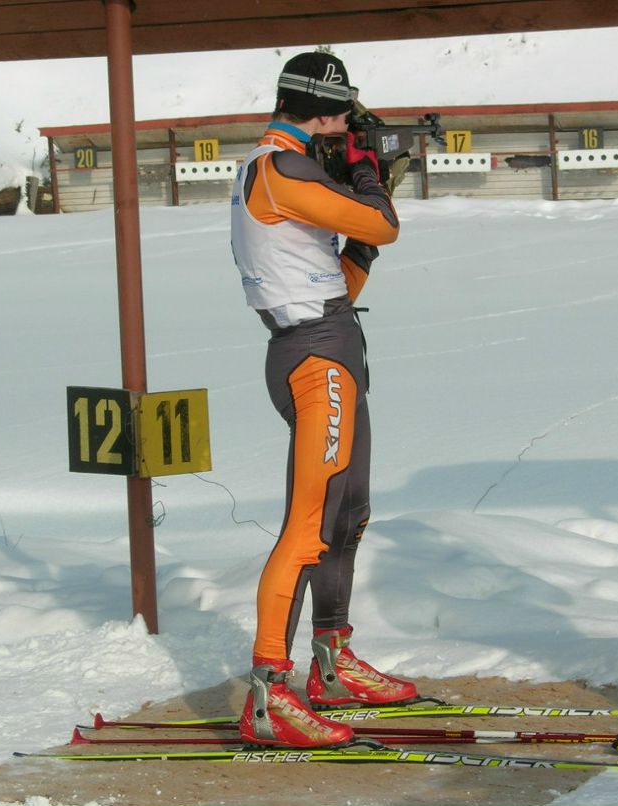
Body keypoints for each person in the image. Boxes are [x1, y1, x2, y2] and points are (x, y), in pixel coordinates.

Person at [228, 51, 417, 748]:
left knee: (348, 512)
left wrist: (361, 189)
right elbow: (383, 222)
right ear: (324, 110)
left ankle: (331, 662)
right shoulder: (281, 169)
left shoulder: (290, 165)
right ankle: (270, 691)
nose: (347, 125)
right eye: (342, 114)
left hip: (330, 343)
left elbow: (338, 280)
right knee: (308, 525)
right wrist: (367, 172)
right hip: (316, 360)